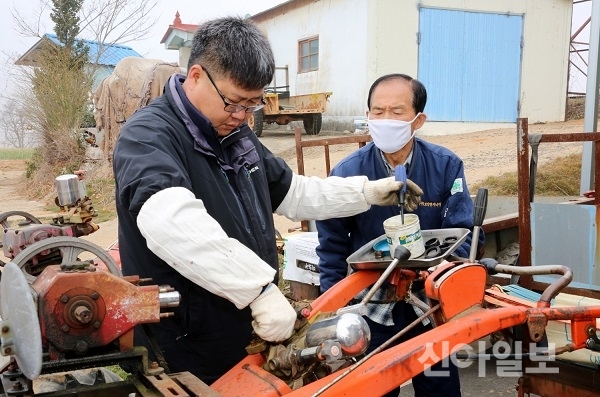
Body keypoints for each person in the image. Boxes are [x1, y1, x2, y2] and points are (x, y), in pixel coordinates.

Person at [112, 17, 423, 385]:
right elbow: (170, 221)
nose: (242, 116)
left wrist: (365, 192)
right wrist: (258, 289)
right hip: (187, 339)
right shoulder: (148, 136)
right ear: (195, 76)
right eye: (234, 102)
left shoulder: (236, 134)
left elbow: (294, 192)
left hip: (248, 326)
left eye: (252, 105)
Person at [316, 73, 485, 397]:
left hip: (430, 302)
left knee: (440, 387)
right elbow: (332, 247)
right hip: (372, 302)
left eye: (396, 111)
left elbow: (461, 232)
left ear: (418, 119)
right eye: (377, 112)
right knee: (372, 388)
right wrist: (332, 312)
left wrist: (453, 288)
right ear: (367, 116)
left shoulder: (446, 165)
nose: (385, 120)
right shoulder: (347, 173)